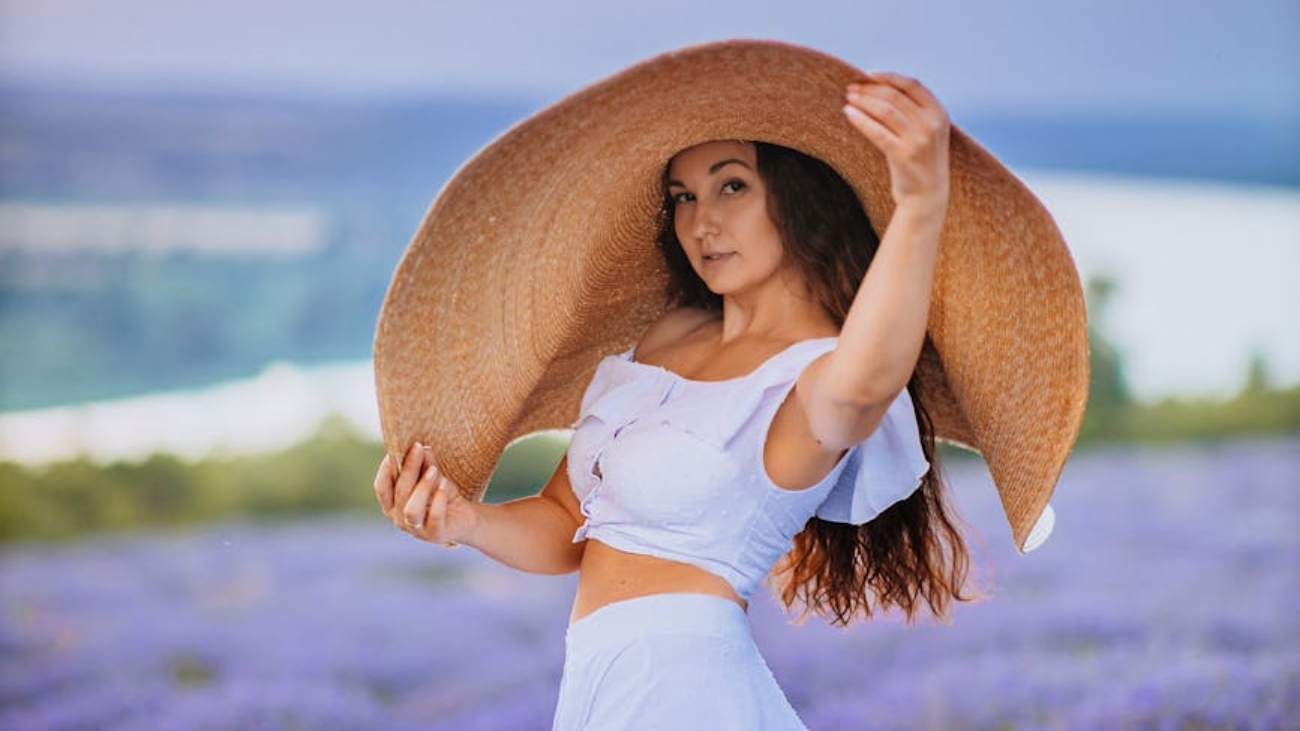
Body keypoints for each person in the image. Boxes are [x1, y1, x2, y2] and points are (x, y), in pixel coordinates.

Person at [371, 41, 1086, 731]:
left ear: (801, 198)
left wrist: (921, 203)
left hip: (682, 686)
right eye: (683, 195)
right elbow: (566, 525)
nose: (700, 220)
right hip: (599, 679)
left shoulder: (808, 375)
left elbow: (864, 387)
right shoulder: (663, 341)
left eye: (732, 185)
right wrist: (463, 521)